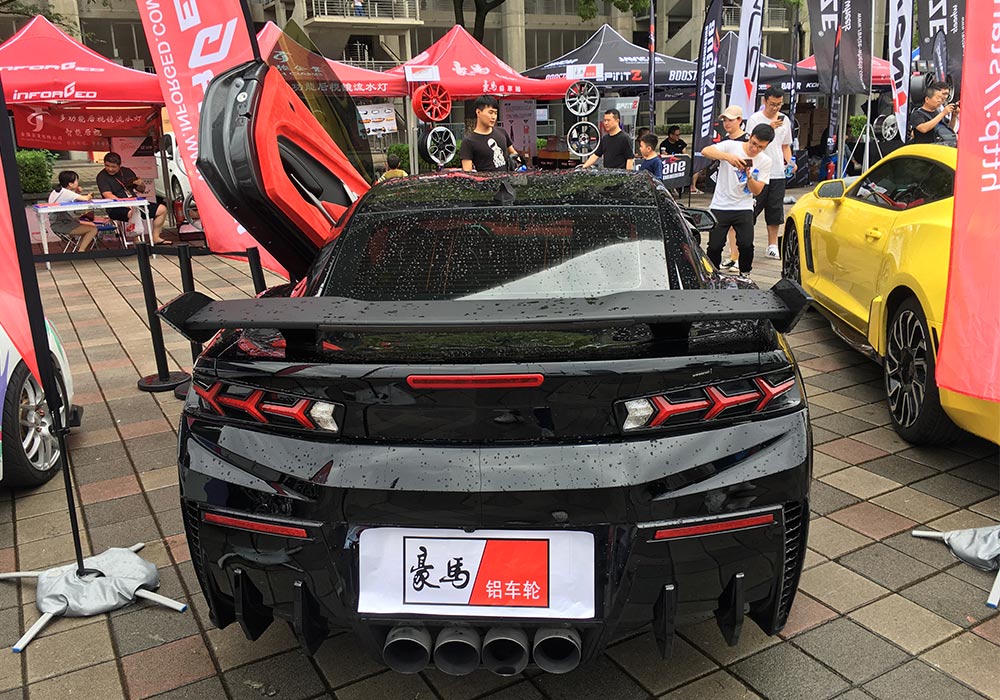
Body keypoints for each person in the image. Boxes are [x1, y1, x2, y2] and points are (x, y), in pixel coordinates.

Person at [700, 123, 774, 277]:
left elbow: (757, 190)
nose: (755, 149)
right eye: (753, 143)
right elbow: (705, 151)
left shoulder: (765, 161)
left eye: (760, 147)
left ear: (766, 146)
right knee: (714, 246)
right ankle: (713, 275)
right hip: (720, 204)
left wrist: (749, 177)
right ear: (750, 136)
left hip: (744, 206)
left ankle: (745, 273)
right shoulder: (731, 146)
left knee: (746, 245)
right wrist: (728, 157)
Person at [746, 86, 795, 260]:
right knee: (752, 209)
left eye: (779, 104)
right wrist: (769, 127)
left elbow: (785, 145)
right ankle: (745, 243)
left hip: (777, 172)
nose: (775, 108)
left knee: (775, 210)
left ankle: (772, 245)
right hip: (758, 172)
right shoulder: (755, 119)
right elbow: (750, 143)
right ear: (764, 101)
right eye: (772, 104)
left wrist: (790, 161)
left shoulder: (785, 120)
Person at [96, 152, 171, 245]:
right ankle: (136, 240)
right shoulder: (102, 176)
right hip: (116, 207)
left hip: (134, 203)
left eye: (113, 167)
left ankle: (155, 237)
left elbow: (141, 190)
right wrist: (125, 204)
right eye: (107, 166)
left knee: (162, 209)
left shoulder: (127, 172)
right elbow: (107, 195)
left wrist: (141, 184)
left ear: (119, 166)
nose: (110, 169)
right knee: (133, 212)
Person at [715, 105, 749, 274]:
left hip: (744, 191)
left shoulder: (748, 140)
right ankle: (733, 255)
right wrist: (726, 156)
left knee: (742, 232)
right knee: (729, 228)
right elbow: (707, 151)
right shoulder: (725, 140)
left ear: (739, 120)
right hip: (725, 191)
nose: (726, 123)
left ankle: (739, 259)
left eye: (730, 120)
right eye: (724, 120)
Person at [460, 96, 523, 173]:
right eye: (490, 112)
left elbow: (513, 153)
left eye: (495, 113)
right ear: (478, 112)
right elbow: (467, 173)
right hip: (487, 180)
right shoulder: (468, 142)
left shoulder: (502, 132)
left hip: (507, 179)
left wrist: (516, 162)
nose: (494, 117)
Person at [47, 171, 98, 252]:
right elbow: (85, 199)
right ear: (70, 184)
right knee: (93, 229)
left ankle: (79, 249)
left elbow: (71, 199)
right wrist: (90, 195)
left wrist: (77, 192)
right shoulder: (66, 192)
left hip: (59, 221)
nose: (78, 182)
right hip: (62, 224)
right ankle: (81, 251)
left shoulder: (58, 191)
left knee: (91, 225)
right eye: (76, 180)